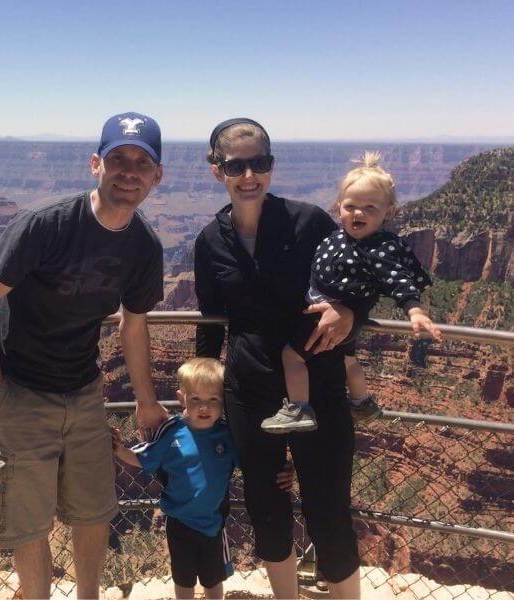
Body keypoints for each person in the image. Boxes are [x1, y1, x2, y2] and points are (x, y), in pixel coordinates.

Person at [0, 112, 170, 600]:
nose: (129, 171)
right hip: (21, 389)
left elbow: (133, 323)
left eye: (143, 163)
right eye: (118, 158)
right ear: (96, 163)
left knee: (94, 509)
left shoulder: (144, 247)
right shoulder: (45, 225)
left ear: (157, 176)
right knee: (29, 519)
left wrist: (145, 400)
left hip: (82, 390)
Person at [194, 117, 363, 598]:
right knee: (266, 507)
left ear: (272, 166)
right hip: (249, 391)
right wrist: (200, 391)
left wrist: (351, 309)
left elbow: (357, 275)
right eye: (236, 165)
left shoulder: (308, 223)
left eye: (259, 163)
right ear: (216, 170)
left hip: (320, 383)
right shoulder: (210, 242)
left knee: (327, 507)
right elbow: (209, 324)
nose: (249, 176)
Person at [262, 151, 443, 433]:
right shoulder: (342, 237)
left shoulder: (379, 248)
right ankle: (362, 402)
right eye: (351, 206)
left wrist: (415, 310)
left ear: (389, 212)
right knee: (349, 360)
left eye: (370, 208)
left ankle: (298, 408)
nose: (359, 213)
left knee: (292, 356)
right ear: (338, 207)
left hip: (325, 318)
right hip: (348, 323)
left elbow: (398, 280)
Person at [112, 357, 295, 600]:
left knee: (213, 579)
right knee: (183, 579)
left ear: (223, 402)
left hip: (213, 523)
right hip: (178, 520)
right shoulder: (171, 431)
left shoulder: (227, 435)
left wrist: (284, 468)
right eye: (195, 399)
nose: (204, 408)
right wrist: (121, 451)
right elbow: (146, 456)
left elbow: (252, 464)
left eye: (213, 400)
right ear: (181, 397)